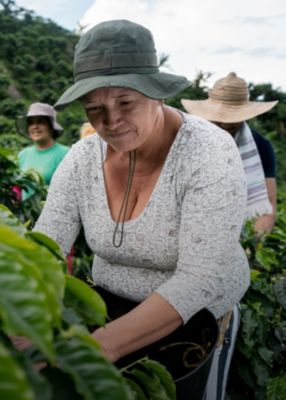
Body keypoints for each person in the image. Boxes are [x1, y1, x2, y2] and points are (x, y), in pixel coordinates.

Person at [33, 20, 250, 400]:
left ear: (155, 94)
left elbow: (199, 279)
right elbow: (46, 243)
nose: (111, 122)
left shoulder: (208, 153)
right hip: (107, 311)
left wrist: (96, 349)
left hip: (195, 322)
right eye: (94, 108)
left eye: (126, 103)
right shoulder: (84, 157)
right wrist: (26, 322)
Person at [181, 72, 278, 234]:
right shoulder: (190, 139)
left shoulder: (261, 147)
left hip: (240, 233)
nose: (225, 123)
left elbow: (268, 206)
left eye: (232, 118)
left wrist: (253, 240)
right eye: (219, 118)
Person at [18, 102, 69, 200]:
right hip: (24, 214)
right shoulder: (23, 155)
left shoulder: (65, 154)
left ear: (51, 127)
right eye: (31, 123)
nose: (35, 126)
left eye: (40, 122)